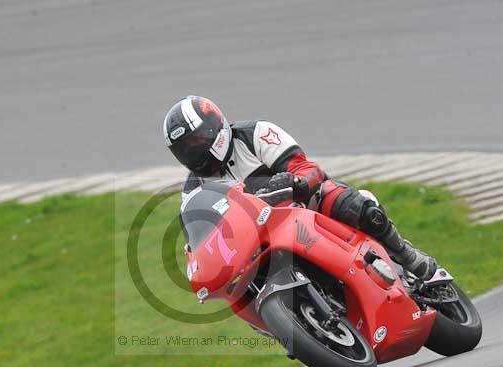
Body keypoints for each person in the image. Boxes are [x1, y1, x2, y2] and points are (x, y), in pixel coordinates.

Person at [162, 95, 438, 281]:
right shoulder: (193, 191)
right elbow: (198, 238)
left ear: (215, 127)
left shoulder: (255, 134)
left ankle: (406, 255)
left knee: (351, 205)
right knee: (242, 285)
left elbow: (307, 168)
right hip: (260, 240)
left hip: (306, 204)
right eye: (184, 149)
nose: (193, 153)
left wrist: (295, 182)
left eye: (196, 142)